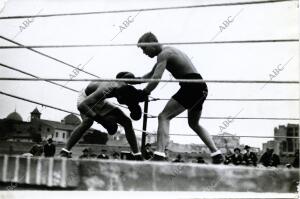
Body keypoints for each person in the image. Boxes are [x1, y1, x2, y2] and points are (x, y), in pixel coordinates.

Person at [135, 32, 223, 163]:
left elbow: (156, 79)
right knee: (194, 123)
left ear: (152, 45)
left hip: (191, 86)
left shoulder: (163, 54)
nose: (144, 53)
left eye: (144, 49)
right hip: (201, 87)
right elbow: (149, 75)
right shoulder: (167, 51)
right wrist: (132, 80)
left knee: (163, 116)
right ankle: (217, 154)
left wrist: (144, 93)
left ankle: (159, 155)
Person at [59, 72, 145, 160]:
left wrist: (158, 64)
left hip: (100, 100)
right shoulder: (106, 89)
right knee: (87, 122)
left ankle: (137, 155)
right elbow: (82, 106)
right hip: (86, 100)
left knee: (127, 121)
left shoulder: (125, 86)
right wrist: (100, 120)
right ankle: (64, 151)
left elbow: (148, 77)